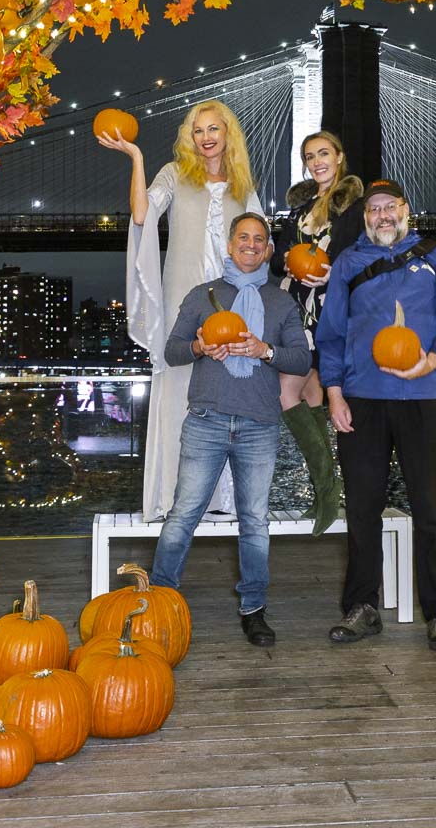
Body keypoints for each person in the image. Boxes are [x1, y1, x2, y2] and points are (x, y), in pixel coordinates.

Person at [315, 178, 436, 651]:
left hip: (423, 397)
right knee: (362, 510)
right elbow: (331, 334)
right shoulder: (348, 262)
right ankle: (361, 607)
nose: (382, 215)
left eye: (390, 207)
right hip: (362, 399)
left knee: (433, 511)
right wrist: (334, 394)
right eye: (374, 209)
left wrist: (434, 358)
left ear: (405, 209)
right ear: (365, 217)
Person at [148, 213, 311, 646]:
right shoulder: (202, 295)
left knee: (255, 521)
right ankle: (158, 603)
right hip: (207, 420)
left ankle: (254, 609)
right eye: (243, 237)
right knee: (183, 515)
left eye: (259, 239)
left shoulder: (281, 303)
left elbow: (301, 360)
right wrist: (200, 346)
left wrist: (265, 350)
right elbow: (172, 351)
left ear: (269, 250)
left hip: (259, 424)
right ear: (229, 244)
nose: (251, 245)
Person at [96, 101, 263, 521]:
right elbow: (142, 214)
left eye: (213, 129)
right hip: (183, 297)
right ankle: (175, 496)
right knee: (178, 387)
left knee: (229, 392)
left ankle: (224, 499)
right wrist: (136, 157)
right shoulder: (174, 174)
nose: (206, 137)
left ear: (227, 134)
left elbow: (261, 240)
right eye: (197, 130)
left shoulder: (243, 186)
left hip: (231, 300)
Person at [270, 131, 363, 536]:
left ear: (339, 157)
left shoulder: (354, 208)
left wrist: (333, 271)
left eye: (324, 154)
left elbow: (360, 254)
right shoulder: (299, 210)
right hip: (293, 308)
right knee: (308, 394)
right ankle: (325, 490)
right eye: (309, 157)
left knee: (285, 392)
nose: (317, 162)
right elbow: (277, 257)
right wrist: (290, 262)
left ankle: (326, 487)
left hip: (328, 307)